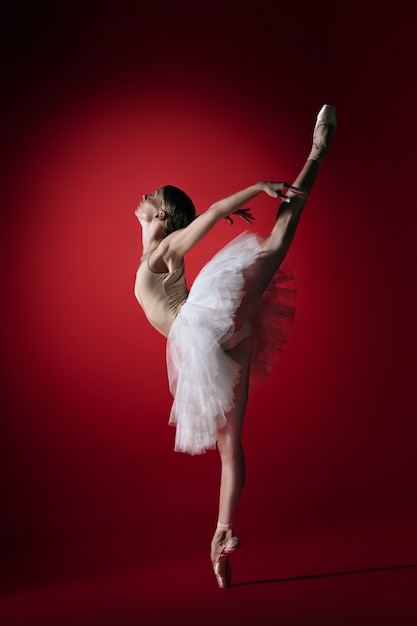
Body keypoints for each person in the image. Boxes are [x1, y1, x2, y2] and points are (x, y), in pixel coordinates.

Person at [134, 104, 337, 588]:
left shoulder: (166, 248)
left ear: (159, 213)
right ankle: (222, 537)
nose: (143, 196)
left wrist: (259, 188)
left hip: (204, 325)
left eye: (150, 195)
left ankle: (317, 150)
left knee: (277, 240)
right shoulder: (153, 246)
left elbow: (215, 213)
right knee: (230, 448)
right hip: (207, 347)